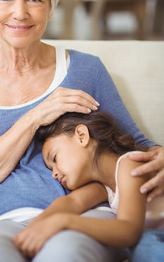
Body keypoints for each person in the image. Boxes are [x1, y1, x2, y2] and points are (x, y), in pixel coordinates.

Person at [0, 0, 164, 262]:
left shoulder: (86, 69)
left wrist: (160, 156)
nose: (19, 12)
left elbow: (134, 144)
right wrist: (35, 116)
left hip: (85, 215)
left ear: (51, 7)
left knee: (65, 253)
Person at [13, 111, 164, 261]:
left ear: (81, 136)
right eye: (51, 169)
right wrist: (35, 226)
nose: (54, 174)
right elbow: (72, 202)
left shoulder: (131, 164)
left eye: (55, 158)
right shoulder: (104, 185)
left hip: (152, 237)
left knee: (144, 246)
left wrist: (63, 221)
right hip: (153, 235)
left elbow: (129, 232)